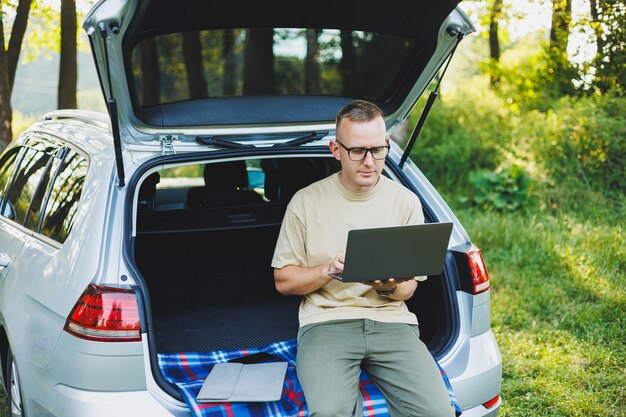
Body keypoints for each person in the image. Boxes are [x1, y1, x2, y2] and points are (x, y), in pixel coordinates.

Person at [271, 100, 456, 417]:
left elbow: (409, 287)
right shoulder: (305, 201)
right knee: (330, 412)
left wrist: (388, 286)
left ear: (386, 144)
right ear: (335, 149)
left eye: (377, 149)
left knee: (437, 412)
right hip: (327, 323)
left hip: (392, 323)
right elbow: (283, 281)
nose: (369, 161)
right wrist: (329, 271)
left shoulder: (406, 201)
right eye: (357, 151)